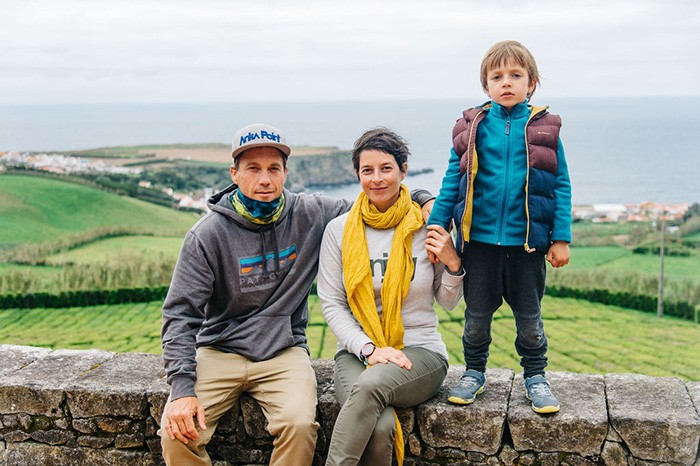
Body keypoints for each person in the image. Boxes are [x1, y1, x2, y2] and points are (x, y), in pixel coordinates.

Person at [159, 123, 435, 466]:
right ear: (234, 173)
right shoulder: (206, 235)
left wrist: (423, 198)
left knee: (301, 425)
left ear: (286, 172)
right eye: (253, 169)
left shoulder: (310, 214)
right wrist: (182, 389)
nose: (265, 180)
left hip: (283, 351)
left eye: (274, 169)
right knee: (177, 434)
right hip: (219, 350)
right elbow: (180, 315)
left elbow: (377, 199)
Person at [427, 40, 572, 414]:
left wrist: (561, 238)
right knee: (476, 317)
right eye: (497, 76)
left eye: (515, 75)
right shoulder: (469, 128)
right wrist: (436, 227)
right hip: (479, 245)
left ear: (532, 83)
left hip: (528, 246)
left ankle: (536, 377)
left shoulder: (546, 130)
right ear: (486, 85)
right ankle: (474, 372)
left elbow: (561, 186)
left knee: (529, 319)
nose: (506, 82)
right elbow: (449, 184)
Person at [318, 128, 464, 466]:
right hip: (357, 352)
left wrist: (454, 262)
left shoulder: (428, 227)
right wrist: (369, 349)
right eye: (367, 170)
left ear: (403, 170)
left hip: (420, 350)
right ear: (357, 175)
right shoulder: (338, 231)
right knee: (380, 427)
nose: (377, 178)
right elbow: (332, 303)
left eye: (386, 168)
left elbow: (448, 300)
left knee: (370, 386)